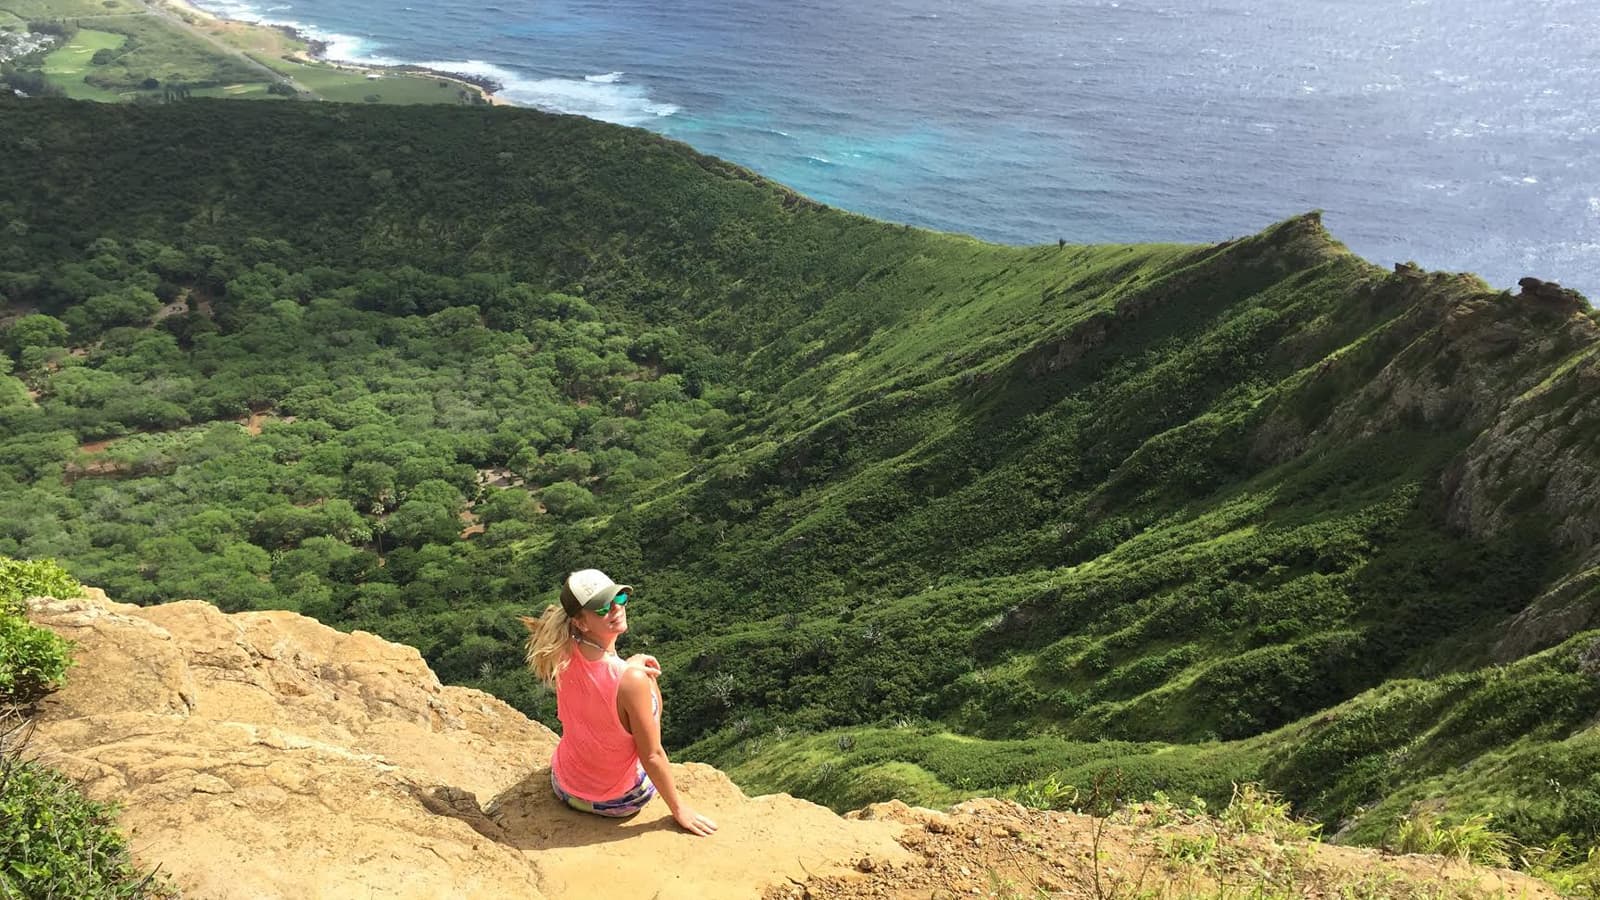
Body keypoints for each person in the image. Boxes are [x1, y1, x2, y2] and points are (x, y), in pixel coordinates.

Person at [521, 568, 718, 836]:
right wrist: (679, 809)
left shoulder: (562, 651)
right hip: (616, 801)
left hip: (564, 784)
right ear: (581, 622)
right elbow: (652, 754)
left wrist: (627, 666)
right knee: (646, 700)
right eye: (603, 608)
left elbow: (601, 684)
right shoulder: (631, 681)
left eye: (620, 598)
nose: (616, 608)